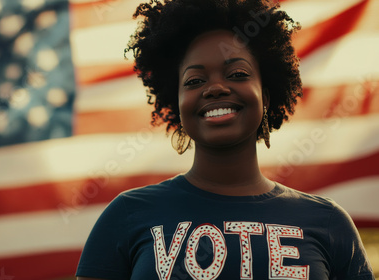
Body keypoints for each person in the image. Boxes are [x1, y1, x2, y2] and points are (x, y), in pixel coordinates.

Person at [76, 0, 375, 279]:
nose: (216, 88)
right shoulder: (127, 214)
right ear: (176, 103)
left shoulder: (329, 222)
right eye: (195, 81)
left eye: (237, 73)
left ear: (266, 96)